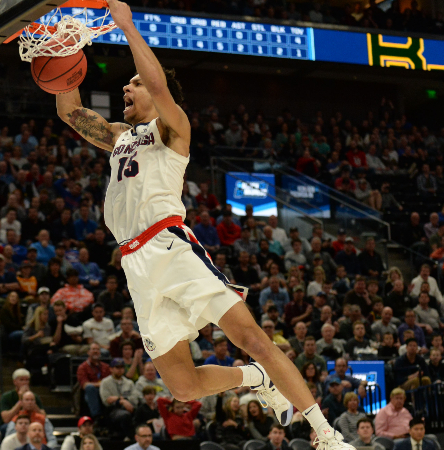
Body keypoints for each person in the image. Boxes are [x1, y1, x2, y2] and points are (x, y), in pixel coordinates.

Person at [56, 2, 350, 448]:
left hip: (170, 246)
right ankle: (253, 378)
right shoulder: (118, 138)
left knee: (251, 335)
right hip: (135, 264)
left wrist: (127, 26)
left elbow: (156, 81)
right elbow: (69, 111)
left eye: (134, 83)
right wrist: (63, 50)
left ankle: (325, 434)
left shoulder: (175, 129)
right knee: (184, 388)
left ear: (157, 96)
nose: (126, 86)